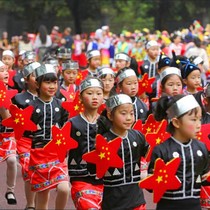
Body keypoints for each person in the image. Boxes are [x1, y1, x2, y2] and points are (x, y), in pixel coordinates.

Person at [149, 94, 210, 210]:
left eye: (200, 119)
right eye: (193, 120)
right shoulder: (161, 150)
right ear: (176, 122)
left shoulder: (201, 148)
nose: (199, 125)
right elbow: (151, 185)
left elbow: (203, 178)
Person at [28, 64, 69, 210]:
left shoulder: (62, 105)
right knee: (43, 197)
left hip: (57, 153)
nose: (52, 86)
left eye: (55, 82)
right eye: (47, 82)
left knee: (65, 189)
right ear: (38, 84)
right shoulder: (31, 106)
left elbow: (66, 128)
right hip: (39, 155)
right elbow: (26, 134)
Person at [101, 94, 148, 210]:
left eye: (131, 113)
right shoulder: (104, 140)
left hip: (137, 200)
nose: (128, 118)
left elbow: (150, 155)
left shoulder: (138, 136)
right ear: (110, 115)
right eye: (123, 113)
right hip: (113, 202)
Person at [68, 77, 104, 210]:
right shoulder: (72, 123)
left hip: (105, 180)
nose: (95, 97)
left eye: (98, 93)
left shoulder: (107, 124)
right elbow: (62, 150)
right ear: (81, 97)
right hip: (80, 178)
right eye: (90, 93)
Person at [12, 61, 40, 209]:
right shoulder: (19, 99)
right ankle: (30, 205)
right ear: (27, 79)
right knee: (29, 170)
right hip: (25, 140)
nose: (38, 78)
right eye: (35, 75)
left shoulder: (51, 99)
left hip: (44, 142)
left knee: (43, 173)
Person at [0, 61, 17, 205]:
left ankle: (10, 190)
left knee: (12, 160)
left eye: (6, 70)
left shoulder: (11, 90)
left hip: (8, 133)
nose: (6, 73)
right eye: (1, 70)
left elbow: (10, 119)